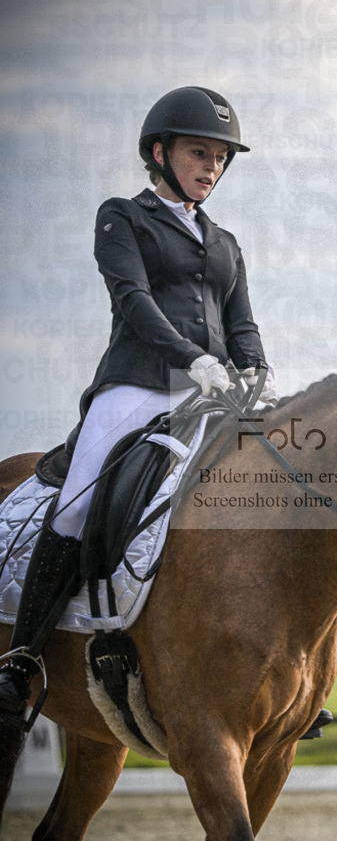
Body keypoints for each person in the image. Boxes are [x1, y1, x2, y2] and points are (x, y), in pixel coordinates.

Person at [0, 86, 278, 718]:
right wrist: (193, 359)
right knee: (76, 506)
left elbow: (242, 323)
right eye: (199, 152)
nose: (211, 167)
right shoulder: (122, 217)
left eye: (220, 158)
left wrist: (256, 371)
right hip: (137, 385)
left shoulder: (226, 241)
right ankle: (22, 659)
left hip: (213, 396)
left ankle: (283, 672)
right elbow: (134, 301)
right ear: (159, 153)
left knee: (267, 493)